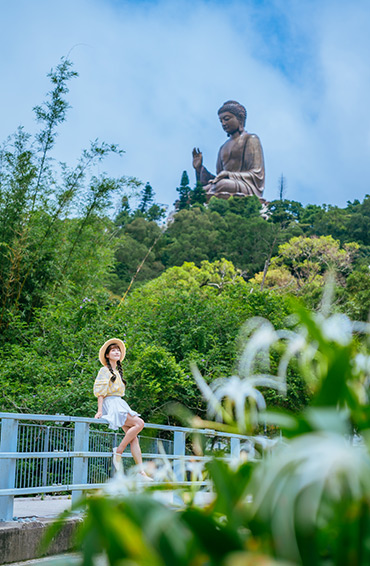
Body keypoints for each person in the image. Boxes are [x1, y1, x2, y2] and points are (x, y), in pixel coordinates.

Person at [93, 338, 151, 479]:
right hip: (111, 404)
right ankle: (118, 450)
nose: (116, 352)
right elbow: (100, 392)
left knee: (134, 438)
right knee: (139, 423)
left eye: (118, 350)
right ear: (107, 355)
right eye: (113, 350)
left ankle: (141, 472)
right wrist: (100, 410)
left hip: (119, 403)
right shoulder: (104, 370)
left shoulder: (118, 372)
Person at [192, 100, 265, 201]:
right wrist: (199, 169)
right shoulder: (223, 147)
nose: (223, 123)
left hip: (245, 185)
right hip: (225, 184)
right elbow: (217, 178)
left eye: (226, 119)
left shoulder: (250, 139)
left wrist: (229, 175)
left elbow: (256, 175)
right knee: (199, 191)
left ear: (240, 118)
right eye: (221, 121)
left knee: (222, 184)